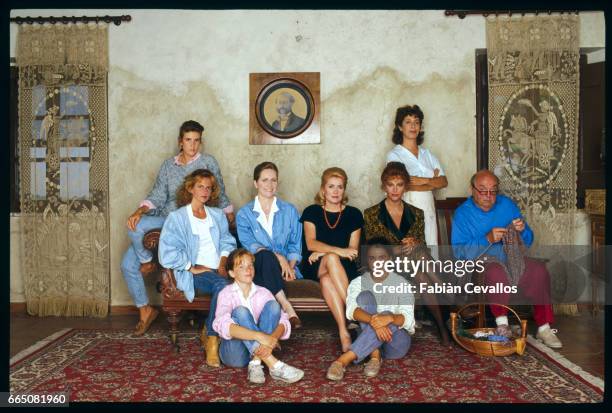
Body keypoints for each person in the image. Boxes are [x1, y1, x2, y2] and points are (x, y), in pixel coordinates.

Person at [121, 120, 233, 337]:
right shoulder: (168, 165)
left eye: (197, 141)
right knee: (129, 254)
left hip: (187, 220)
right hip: (165, 218)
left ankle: (148, 265)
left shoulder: (208, 161)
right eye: (188, 140)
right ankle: (145, 307)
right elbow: (157, 194)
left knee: (130, 258)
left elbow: (217, 188)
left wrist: (228, 213)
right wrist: (140, 211)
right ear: (180, 142)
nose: (192, 146)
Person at [451, 169, 562, 349]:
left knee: (539, 270)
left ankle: (544, 327)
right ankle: (502, 324)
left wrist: (522, 230)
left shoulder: (507, 205)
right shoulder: (462, 214)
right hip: (479, 268)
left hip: (512, 261)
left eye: (493, 191)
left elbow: (528, 240)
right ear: (472, 190)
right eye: (482, 190)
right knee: (496, 271)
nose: (488, 196)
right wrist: (487, 239)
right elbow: (458, 253)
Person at [363, 162, 450, 346]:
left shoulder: (416, 213)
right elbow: (374, 250)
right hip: (386, 265)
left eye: (400, 184)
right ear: (383, 186)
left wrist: (416, 243)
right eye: (390, 184)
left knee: (421, 272)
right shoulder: (371, 214)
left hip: (414, 264)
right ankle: (449, 299)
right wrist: (401, 249)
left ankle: (442, 326)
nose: (395, 190)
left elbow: (423, 246)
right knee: (419, 258)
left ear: (406, 187)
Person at [159, 169, 237, 367]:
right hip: (194, 275)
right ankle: (212, 339)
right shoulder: (177, 218)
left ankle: (212, 332)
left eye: (208, 188)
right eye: (200, 186)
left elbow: (228, 242)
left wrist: (221, 263)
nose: (204, 191)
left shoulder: (217, 215)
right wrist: (190, 266)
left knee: (232, 285)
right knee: (223, 286)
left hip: (218, 270)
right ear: (190, 188)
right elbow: (166, 253)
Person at [326, 239, 414, 380]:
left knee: (387, 314)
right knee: (364, 296)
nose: (377, 262)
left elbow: (408, 319)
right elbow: (351, 311)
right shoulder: (358, 282)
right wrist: (374, 320)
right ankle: (374, 356)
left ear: (390, 259)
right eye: (372, 258)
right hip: (368, 340)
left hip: (396, 344)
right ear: (367, 261)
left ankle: (343, 360)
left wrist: (389, 318)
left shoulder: (402, 283)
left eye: (382, 258)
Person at [213, 248, 304, 384]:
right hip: (235, 355)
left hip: (260, 348)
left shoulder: (263, 292)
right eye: (242, 266)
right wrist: (260, 337)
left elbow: (284, 321)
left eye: (250, 265)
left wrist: (272, 338)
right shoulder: (225, 294)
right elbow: (222, 325)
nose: (248, 269)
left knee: (274, 305)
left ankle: (256, 362)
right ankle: (275, 365)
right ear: (232, 273)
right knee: (240, 311)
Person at [300, 167, 364, 352]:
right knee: (332, 257)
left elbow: (352, 252)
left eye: (340, 187)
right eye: (331, 186)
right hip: (314, 265)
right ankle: (354, 311)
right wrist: (336, 251)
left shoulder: (354, 214)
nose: (335, 191)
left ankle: (344, 331)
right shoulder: (311, 212)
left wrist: (327, 252)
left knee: (328, 277)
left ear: (344, 190)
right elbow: (311, 243)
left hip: (344, 268)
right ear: (323, 189)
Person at [236, 162, 303, 329]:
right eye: (264, 180)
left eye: (273, 180)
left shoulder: (290, 210)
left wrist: (290, 267)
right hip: (256, 267)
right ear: (255, 183)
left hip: (285, 268)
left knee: (269, 260)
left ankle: (269, 327)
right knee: (265, 256)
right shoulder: (244, 214)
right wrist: (278, 257)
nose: (269, 185)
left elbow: (295, 245)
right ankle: (286, 306)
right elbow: (250, 245)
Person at [386, 105, 447, 247]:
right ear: (400, 127)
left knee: (431, 250)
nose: (413, 126)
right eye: (408, 122)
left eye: (416, 122)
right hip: (407, 207)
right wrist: (432, 181)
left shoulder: (428, 154)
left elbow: (443, 181)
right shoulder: (395, 155)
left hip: (428, 209)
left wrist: (421, 180)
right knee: (411, 252)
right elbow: (401, 185)